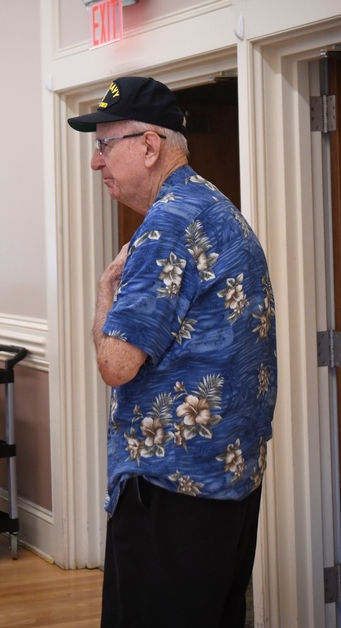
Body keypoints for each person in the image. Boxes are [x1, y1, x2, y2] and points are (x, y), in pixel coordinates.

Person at [69, 77, 278, 628]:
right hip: (228, 484)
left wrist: (103, 299)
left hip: (171, 489)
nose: (97, 162)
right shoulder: (214, 205)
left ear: (149, 146)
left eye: (104, 145)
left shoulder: (166, 225)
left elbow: (116, 365)